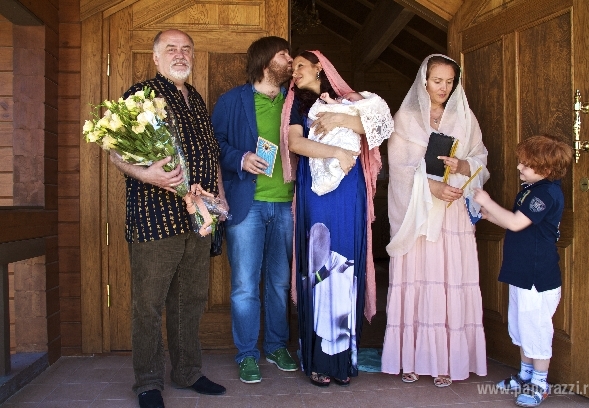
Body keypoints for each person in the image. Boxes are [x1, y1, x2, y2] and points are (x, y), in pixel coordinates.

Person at [109, 29, 226, 408]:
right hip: (154, 217)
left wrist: (221, 197)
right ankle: (147, 382)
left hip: (199, 217)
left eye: (186, 49)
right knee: (148, 303)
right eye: (171, 49)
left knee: (190, 300)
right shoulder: (139, 95)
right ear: (156, 57)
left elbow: (210, 153)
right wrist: (147, 174)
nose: (180, 55)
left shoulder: (197, 99)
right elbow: (114, 152)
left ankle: (188, 371)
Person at [281, 50, 393, 387]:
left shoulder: (349, 100)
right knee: (321, 263)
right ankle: (318, 359)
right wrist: (336, 151)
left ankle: (343, 361)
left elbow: (377, 128)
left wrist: (338, 119)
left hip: (349, 189)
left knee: (347, 264)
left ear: (319, 67)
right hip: (317, 192)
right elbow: (295, 143)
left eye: (300, 66)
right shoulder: (297, 105)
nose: (295, 72)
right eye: (292, 69)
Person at [381, 54, 489, 387]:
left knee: (448, 281)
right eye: (437, 80)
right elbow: (399, 170)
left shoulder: (464, 117)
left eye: (449, 82)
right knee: (419, 281)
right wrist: (432, 187)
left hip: (452, 215)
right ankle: (411, 359)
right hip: (417, 215)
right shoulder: (406, 118)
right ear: (424, 80)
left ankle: (446, 362)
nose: (443, 88)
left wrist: (462, 166)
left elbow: (481, 158)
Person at [212, 36, 298, 384]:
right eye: (283, 54)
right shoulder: (232, 101)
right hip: (247, 205)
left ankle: (276, 346)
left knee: (279, 283)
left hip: (287, 205)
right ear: (265, 62)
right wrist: (241, 158)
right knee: (245, 285)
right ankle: (247, 353)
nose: (290, 60)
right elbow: (214, 145)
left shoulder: (295, 102)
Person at [473, 135, 572, 407]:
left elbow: (517, 223)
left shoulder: (546, 194)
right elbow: (517, 224)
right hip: (522, 274)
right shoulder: (532, 189)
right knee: (521, 326)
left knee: (535, 329)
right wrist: (489, 216)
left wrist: (487, 201)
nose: (519, 167)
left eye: (526, 164)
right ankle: (526, 374)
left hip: (536, 277)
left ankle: (540, 383)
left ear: (546, 169)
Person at [307, 91, 389, 195]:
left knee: (347, 150)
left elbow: (378, 127)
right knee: (326, 152)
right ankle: (328, 174)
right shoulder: (342, 105)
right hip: (332, 137)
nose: (345, 99)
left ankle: (332, 172)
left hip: (347, 138)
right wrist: (328, 99)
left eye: (350, 99)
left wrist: (341, 118)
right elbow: (336, 106)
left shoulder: (355, 110)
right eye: (345, 97)